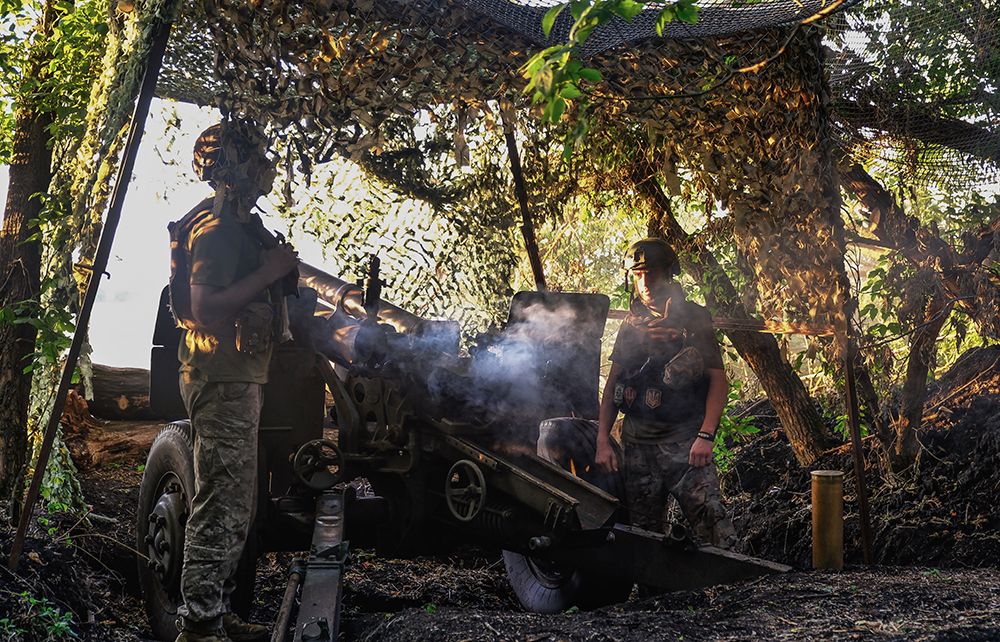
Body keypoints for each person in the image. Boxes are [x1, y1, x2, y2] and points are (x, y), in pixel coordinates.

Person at [167, 122, 300, 642]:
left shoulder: (232, 223)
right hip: (222, 379)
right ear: (233, 166)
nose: (265, 166)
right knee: (221, 505)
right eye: (255, 157)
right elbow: (203, 307)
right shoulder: (219, 230)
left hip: (232, 376)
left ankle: (216, 614)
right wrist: (270, 271)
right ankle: (200, 626)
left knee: (234, 503)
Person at [594, 238, 736, 549]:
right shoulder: (631, 325)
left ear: (669, 274)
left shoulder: (694, 320)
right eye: (638, 274)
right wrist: (603, 439)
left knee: (715, 526)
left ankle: (731, 582)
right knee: (644, 538)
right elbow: (614, 383)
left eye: (653, 273)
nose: (644, 283)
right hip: (637, 448)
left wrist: (706, 435)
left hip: (685, 444)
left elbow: (718, 380)